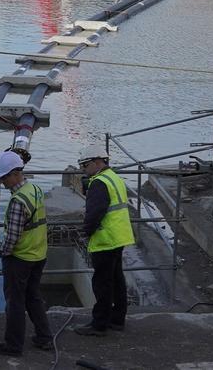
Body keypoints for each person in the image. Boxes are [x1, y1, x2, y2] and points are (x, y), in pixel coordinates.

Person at [0, 151, 53, 357]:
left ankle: (14, 345)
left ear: (15, 173)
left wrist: (3, 252)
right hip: (39, 254)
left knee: (15, 302)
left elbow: (12, 237)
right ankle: (44, 337)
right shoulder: (34, 189)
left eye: (3, 178)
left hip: (20, 258)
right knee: (33, 297)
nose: (1, 183)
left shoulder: (18, 201)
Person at [75, 144, 134, 337]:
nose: (83, 169)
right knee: (117, 279)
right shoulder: (114, 177)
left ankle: (99, 324)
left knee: (102, 283)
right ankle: (117, 320)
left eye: (85, 165)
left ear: (96, 162)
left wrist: (86, 231)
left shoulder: (99, 182)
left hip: (105, 238)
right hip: (119, 235)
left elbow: (94, 213)